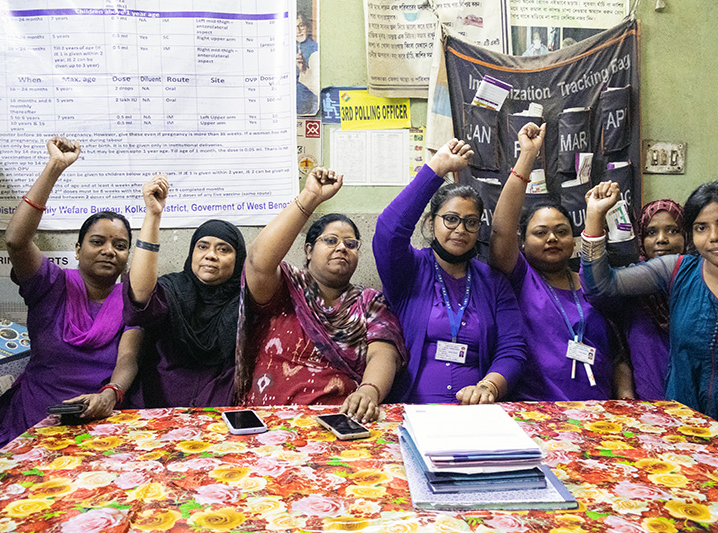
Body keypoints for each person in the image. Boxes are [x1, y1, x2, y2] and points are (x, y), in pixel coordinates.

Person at [581, 179, 718, 454]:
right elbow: (601, 284)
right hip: (686, 428)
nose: (714, 236)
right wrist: (595, 216)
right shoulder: (677, 270)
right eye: (701, 228)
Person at [0, 136, 142, 448]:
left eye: (120, 245)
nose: (108, 251)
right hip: (33, 421)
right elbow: (16, 241)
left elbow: (128, 356)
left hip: (99, 421)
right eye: (97, 241)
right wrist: (55, 167)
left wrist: (111, 393)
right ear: (77, 249)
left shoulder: (130, 299)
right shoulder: (50, 284)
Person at [237, 167, 407, 423]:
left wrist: (370, 390)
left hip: (338, 422)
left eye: (351, 245)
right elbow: (258, 263)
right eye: (330, 241)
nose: (342, 247)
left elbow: (383, 352)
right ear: (308, 250)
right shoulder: (285, 286)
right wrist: (309, 197)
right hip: (268, 422)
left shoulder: (368, 302)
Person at [373, 139, 528, 404]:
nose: (460, 230)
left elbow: (512, 350)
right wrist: (435, 170)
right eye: (451, 219)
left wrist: (488, 387)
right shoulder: (409, 271)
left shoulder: (493, 283)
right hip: (411, 409)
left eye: (470, 222)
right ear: (431, 223)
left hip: (476, 413)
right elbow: (388, 232)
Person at [489, 123, 633, 401]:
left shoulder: (594, 282)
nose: (552, 238)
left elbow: (617, 352)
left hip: (599, 414)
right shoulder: (520, 277)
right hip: (536, 414)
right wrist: (527, 155)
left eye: (562, 231)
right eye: (540, 233)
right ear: (522, 242)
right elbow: (500, 231)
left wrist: (625, 398)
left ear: (573, 240)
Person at [123, 175, 245, 408]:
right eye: (202, 246)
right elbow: (140, 298)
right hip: (161, 405)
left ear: (238, 260)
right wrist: (153, 216)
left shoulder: (244, 300)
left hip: (222, 411)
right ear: (192, 252)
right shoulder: (173, 289)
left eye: (224, 249)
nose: (211, 255)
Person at [618, 199, 688, 400]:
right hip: (646, 408)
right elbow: (620, 353)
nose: (661, 239)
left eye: (672, 231)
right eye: (651, 232)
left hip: (696, 406)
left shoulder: (701, 286)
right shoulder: (629, 289)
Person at [296, 11, 319, 115]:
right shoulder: (288, 47)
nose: (298, 31)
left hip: (308, 110)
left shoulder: (315, 50)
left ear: (307, 27)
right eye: (294, 27)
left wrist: (304, 70)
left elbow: (318, 87)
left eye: (301, 26)